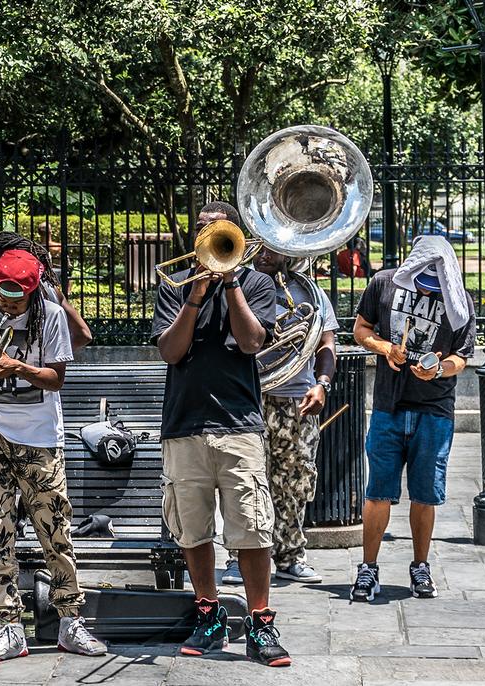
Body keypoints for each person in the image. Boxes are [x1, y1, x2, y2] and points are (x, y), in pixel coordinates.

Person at [151, 201, 291, 667]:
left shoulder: (256, 282)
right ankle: (209, 615)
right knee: (193, 529)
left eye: (219, 231)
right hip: (184, 423)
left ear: (235, 235)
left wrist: (230, 281)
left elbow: (252, 341)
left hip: (239, 424)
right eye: (201, 231)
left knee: (252, 528)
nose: (208, 237)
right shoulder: (175, 287)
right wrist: (196, 295)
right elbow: (171, 352)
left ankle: (260, 623)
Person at [0, 249, 110, 662]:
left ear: (33, 290)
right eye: (3, 294)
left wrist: (19, 368)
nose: (9, 303)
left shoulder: (52, 316)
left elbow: (56, 379)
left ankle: (69, 621)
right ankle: (8, 624)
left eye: (17, 297)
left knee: (56, 528)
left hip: (41, 436)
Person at [350, 235, 475, 602]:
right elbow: (361, 330)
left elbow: (462, 357)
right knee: (378, 492)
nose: (429, 291)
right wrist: (386, 347)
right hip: (389, 405)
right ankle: (368, 568)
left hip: (434, 410)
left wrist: (437, 370)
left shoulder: (460, 300)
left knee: (425, 494)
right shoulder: (384, 283)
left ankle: (420, 566)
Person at [221, 247, 338, 586]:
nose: (265, 254)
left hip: (296, 400)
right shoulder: (236, 285)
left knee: (295, 480)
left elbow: (326, 344)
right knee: (243, 480)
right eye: (260, 244)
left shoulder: (310, 293)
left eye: (275, 247)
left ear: (290, 250)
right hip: (247, 397)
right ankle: (238, 556)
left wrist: (322, 384)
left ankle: (290, 556)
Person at [0, 232, 91, 351]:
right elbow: (83, 334)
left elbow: (84, 335)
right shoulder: (50, 288)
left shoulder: (40, 291)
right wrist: (53, 355)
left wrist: (47, 357)